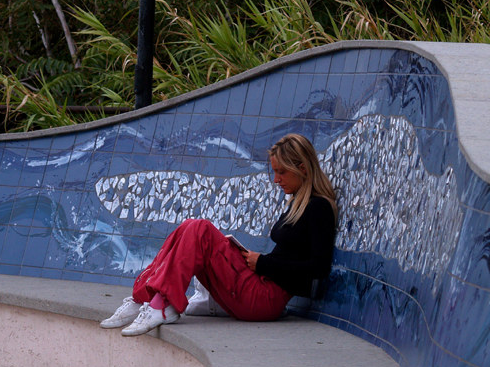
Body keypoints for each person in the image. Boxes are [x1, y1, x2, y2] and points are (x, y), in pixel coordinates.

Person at [100, 133, 338, 336]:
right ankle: (144, 299)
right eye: (275, 172)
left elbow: (319, 268)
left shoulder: (319, 207)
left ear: (302, 169)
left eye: (281, 172)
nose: (276, 180)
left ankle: (161, 305)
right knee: (189, 226)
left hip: (264, 299)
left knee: (201, 229)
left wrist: (263, 263)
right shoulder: (298, 202)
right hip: (260, 288)